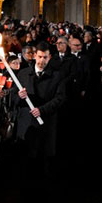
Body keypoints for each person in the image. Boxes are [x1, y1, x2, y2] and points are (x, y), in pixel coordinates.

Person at [10, 42, 66, 184]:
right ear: (35, 56)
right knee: (25, 162)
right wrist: (19, 95)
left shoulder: (57, 76)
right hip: (26, 125)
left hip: (45, 125)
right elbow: (13, 97)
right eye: (39, 57)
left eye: (45, 57)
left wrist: (42, 110)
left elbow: (59, 99)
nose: (42, 61)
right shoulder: (23, 74)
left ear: (50, 57)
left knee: (43, 165)